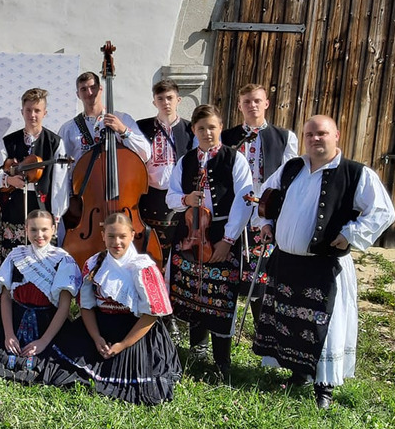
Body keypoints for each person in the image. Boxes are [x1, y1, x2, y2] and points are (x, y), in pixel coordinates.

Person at [251, 115, 395, 409]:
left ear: (337, 135)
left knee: (325, 326)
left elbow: (383, 212)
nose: (315, 139)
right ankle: (299, 373)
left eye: (322, 134)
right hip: (287, 261)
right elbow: (265, 195)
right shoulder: (292, 168)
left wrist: (351, 235)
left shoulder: (356, 173)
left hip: (324, 266)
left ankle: (324, 388)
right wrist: (265, 222)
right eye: (310, 134)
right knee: (291, 320)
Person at [166, 104, 254, 380]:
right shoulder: (186, 160)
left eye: (212, 127)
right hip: (189, 237)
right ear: (193, 130)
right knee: (192, 294)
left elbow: (244, 200)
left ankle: (222, 361)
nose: (207, 132)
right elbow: (170, 195)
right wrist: (185, 200)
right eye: (201, 128)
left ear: (220, 127)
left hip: (221, 235)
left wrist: (229, 239)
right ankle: (197, 349)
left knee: (221, 296)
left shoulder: (234, 159)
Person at [72, 212, 181, 405]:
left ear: (132, 235)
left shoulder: (143, 267)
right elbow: (86, 306)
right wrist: (96, 338)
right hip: (100, 326)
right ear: (103, 235)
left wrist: (123, 344)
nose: (117, 242)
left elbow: (150, 315)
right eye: (111, 236)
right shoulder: (93, 263)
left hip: (135, 330)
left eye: (122, 236)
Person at [0, 209, 88, 387]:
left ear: (53, 229)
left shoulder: (63, 260)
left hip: (48, 322)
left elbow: (64, 306)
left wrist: (44, 341)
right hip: (15, 318)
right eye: (34, 230)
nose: (39, 235)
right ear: (26, 230)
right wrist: (9, 334)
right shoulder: (16, 255)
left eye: (44, 229)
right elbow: (5, 297)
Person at [221, 83, 300, 324]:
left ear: (266, 103)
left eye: (257, 101)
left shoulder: (285, 137)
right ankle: (227, 324)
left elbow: (290, 178)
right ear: (239, 106)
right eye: (247, 102)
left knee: (262, 273)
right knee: (232, 269)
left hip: (266, 213)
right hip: (234, 210)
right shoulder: (227, 137)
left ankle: (261, 327)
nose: (252, 106)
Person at [0, 88, 70, 262]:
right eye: (28, 110)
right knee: (11, 261)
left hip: (42, 209)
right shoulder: (8, 141)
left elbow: (60, 185)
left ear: (45, 113)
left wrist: (56, 217)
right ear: (22, 111)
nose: (32, 115)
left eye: (37, 110)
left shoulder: (55, 142)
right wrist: (8, 179)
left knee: (42, 262)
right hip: (12, 209)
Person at [136, 79, 194, 258]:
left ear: (179, 100)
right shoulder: (142, 127)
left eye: (170, 98)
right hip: (149, 195)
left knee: (175, 248)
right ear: (154, 102)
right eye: (160, 99)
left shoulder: (190, 129)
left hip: (178, 195)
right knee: (148, 248)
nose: (165, 103)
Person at [58, 70, 151, 178]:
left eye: (93, 87)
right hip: (84, 190)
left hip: (121, 185)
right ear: (78, 94)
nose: (89, 93)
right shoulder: (69, 128)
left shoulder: (122, 119)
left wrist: (123, 131)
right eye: (83, 89)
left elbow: (145, 154)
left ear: (100, 89)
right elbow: (62, 167)